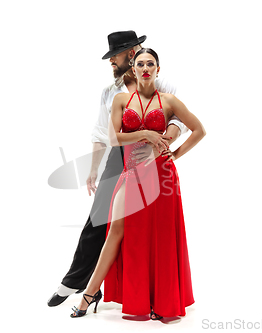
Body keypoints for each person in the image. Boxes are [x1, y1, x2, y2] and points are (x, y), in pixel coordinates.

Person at [48, 31, 185, 306]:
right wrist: (93, 170)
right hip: (119, 155)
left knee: (147, 224)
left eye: (115, 56)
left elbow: (179, 121)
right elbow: (101, 134)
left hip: (153, 158)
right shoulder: (110, 92)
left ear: (132, 53)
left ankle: (148, 290)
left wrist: (161, 144)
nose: (111, 61)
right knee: (99, 217)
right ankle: (75, 282)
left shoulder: (164, 83)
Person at [70, 48, 205, 320]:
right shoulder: (121, 99)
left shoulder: (169, 101)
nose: (145, 68)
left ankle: (159, 301)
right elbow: (113, 138)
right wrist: (144, 133)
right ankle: (89, 294)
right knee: (116, 232)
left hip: (162, 175)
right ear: (133, 67)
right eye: (140, 64)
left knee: (161, 236)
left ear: (158, 69)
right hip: (131, 173)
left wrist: (172, 153)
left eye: (150, 64)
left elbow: (199, 130)